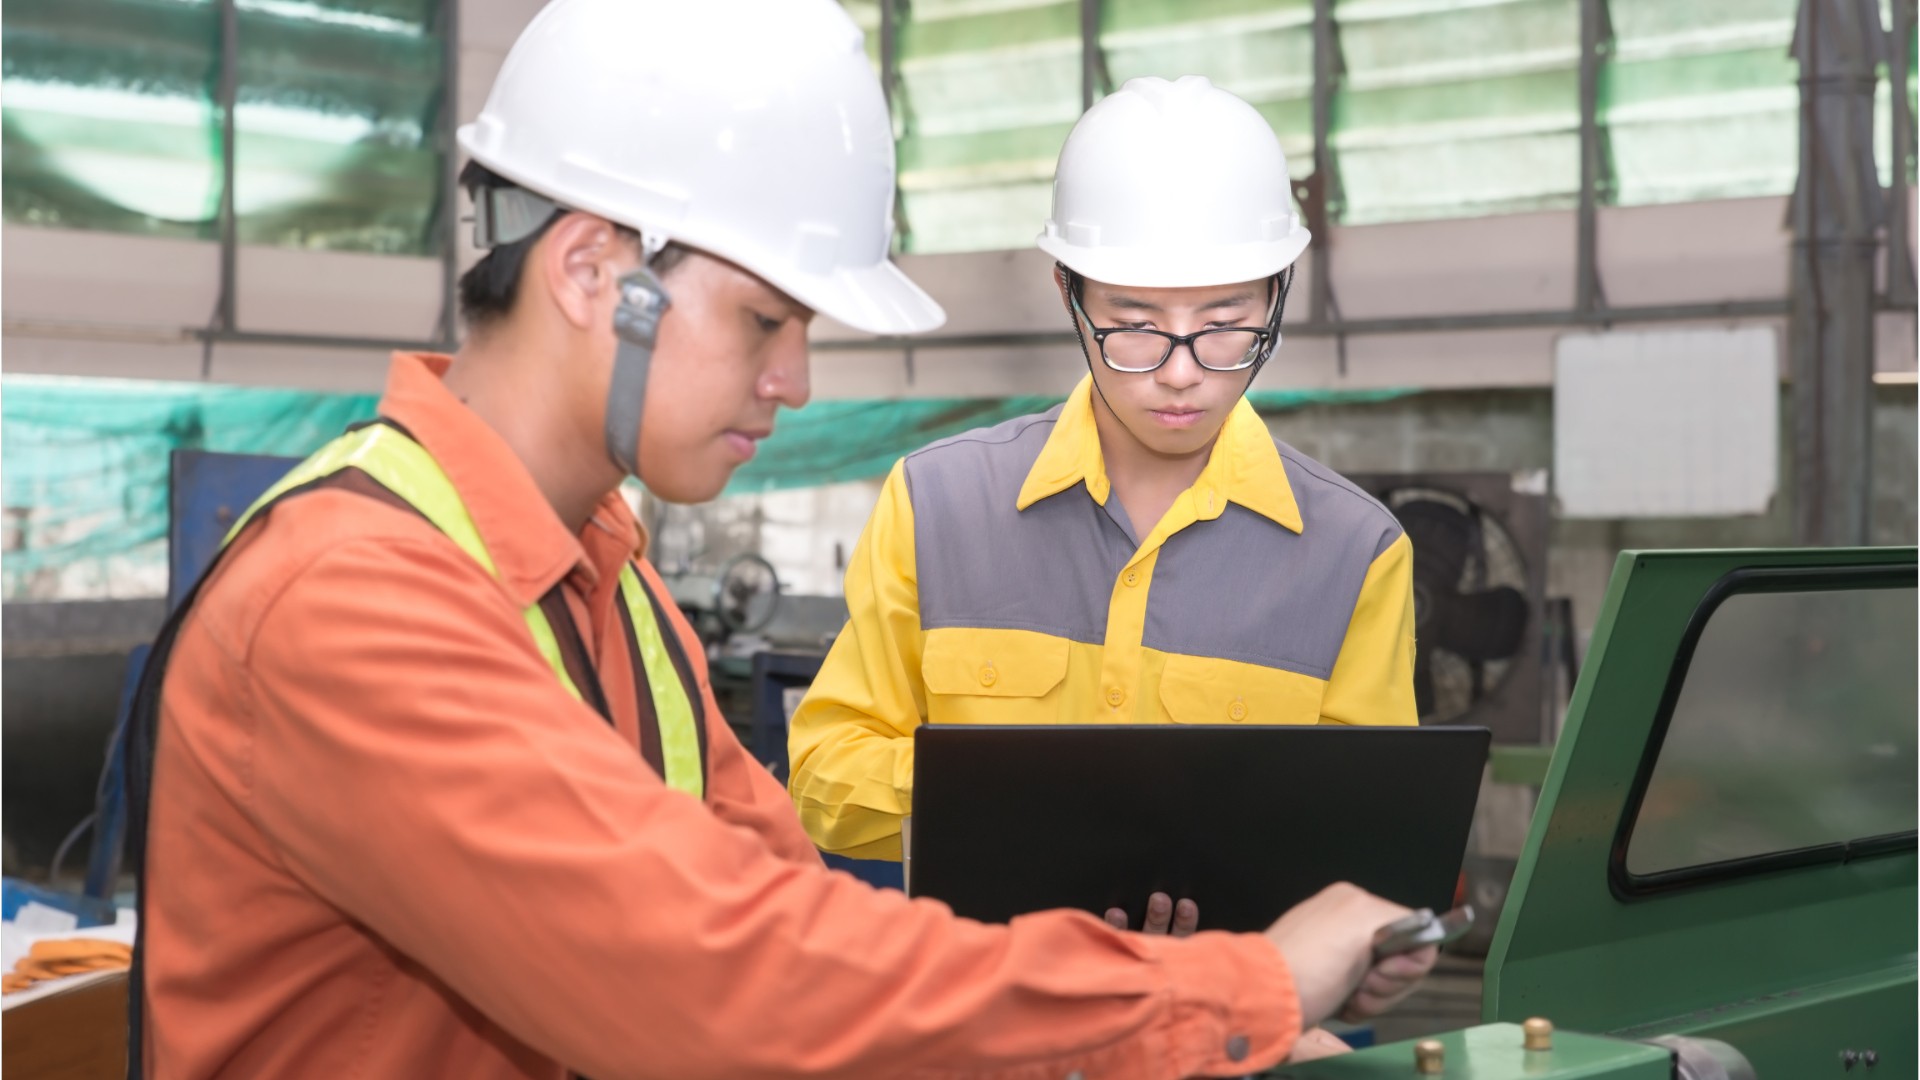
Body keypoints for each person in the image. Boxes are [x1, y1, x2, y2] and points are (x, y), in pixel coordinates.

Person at [129, 5, 1435, 1077]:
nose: (797, 381)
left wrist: (1172, 1036)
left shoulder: (607, 576)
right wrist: (1238, 983)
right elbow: (711, 985)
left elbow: (798, 924)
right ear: (594, 272)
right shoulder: (353, 597)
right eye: (765, 320)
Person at [788, 76, 1419, 934]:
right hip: (987, 1031)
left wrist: (1375, 939)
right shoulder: (936, 506)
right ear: (1068, 294)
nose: (1182, 370)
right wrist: (1016, 803)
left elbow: (1367, 838)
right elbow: (825, 772)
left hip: (1223, 1030)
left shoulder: (1355, 552)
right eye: (1135, 320)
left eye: (1226, 319)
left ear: (1279, 294)